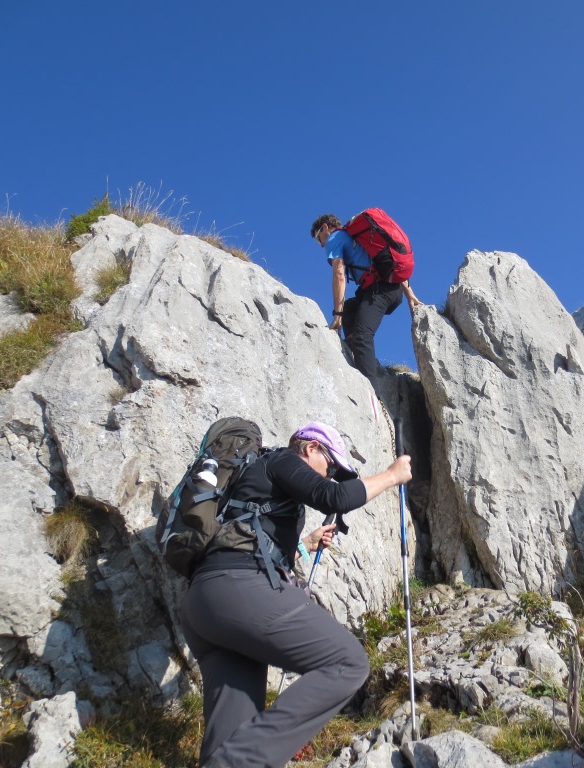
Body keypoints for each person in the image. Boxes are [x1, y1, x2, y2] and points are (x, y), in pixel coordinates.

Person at [180, 421, 413, 768]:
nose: (330, 475)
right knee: (347, 662)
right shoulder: (281, 461)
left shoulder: (255, 478)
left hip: (204, 604)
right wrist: (392, 476)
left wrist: (305, 543)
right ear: (310, 448)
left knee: (232, 729)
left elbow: (246, 537)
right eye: (330, 465)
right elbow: (333, 497)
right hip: (239, 591)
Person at [311, 214, 422, 381]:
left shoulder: (334, 238)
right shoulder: (354, 236)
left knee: (363, 336)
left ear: (325, 227)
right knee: (350, 309)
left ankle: (372, 395)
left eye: (318, 238)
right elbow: (387, 262)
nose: (320, 245)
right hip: (389, 289)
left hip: (379, 290)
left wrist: (337, 315)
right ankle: (354, 351)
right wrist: (410, 295)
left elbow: (339, 274)